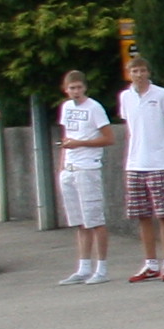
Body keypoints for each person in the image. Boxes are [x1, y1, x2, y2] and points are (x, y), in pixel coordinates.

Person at [116, 56, 164, 282]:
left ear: (148, 72)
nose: (139, 75)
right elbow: (129, 125)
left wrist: (157, 143)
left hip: (158, 162)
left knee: (163, 213)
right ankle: (150, 262)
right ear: (129, 73)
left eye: (143, 70)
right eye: (135, 71)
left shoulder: (161, 94)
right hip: (135, 162)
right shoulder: (125, 97)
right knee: (142, 214)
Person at [55, 68, 114, 284]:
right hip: (70, 168)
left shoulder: (94, 108)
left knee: (94, 219)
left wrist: (80, 143)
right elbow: (66, 137)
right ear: (66, 90)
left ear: (85, 88)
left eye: (79, 87)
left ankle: (102, 268)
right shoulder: (66, 107)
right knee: (79, 221)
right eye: (72, 88)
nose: (76, 91)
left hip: (88, 167)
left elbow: (108, 138)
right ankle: (83, 266)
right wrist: (62, 167)